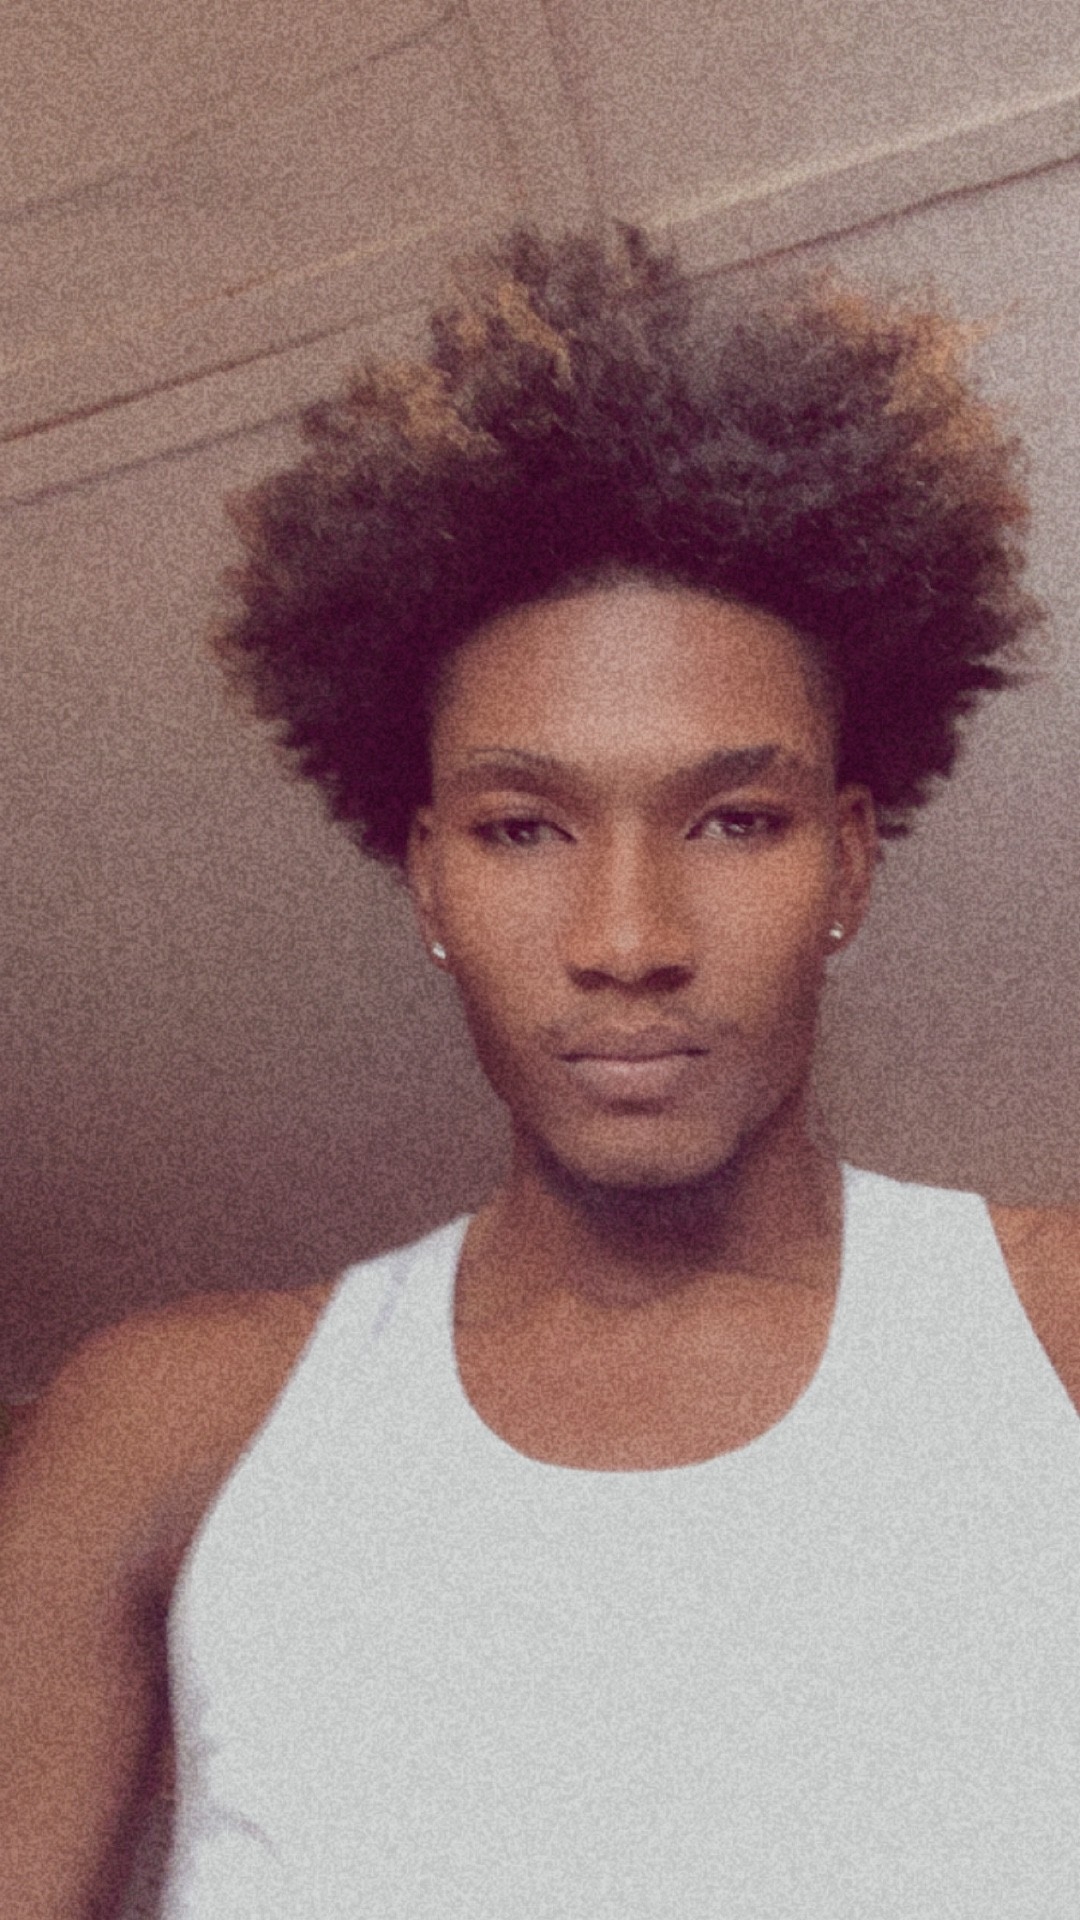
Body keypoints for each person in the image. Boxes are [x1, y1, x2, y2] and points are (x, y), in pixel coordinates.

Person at [2, 221, 1078, 1919]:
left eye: (736, 819)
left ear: (850, 863)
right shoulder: (165, 1425)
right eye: (522, 828)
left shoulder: (1053, 1339)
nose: (628, 938)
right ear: (429, 878)